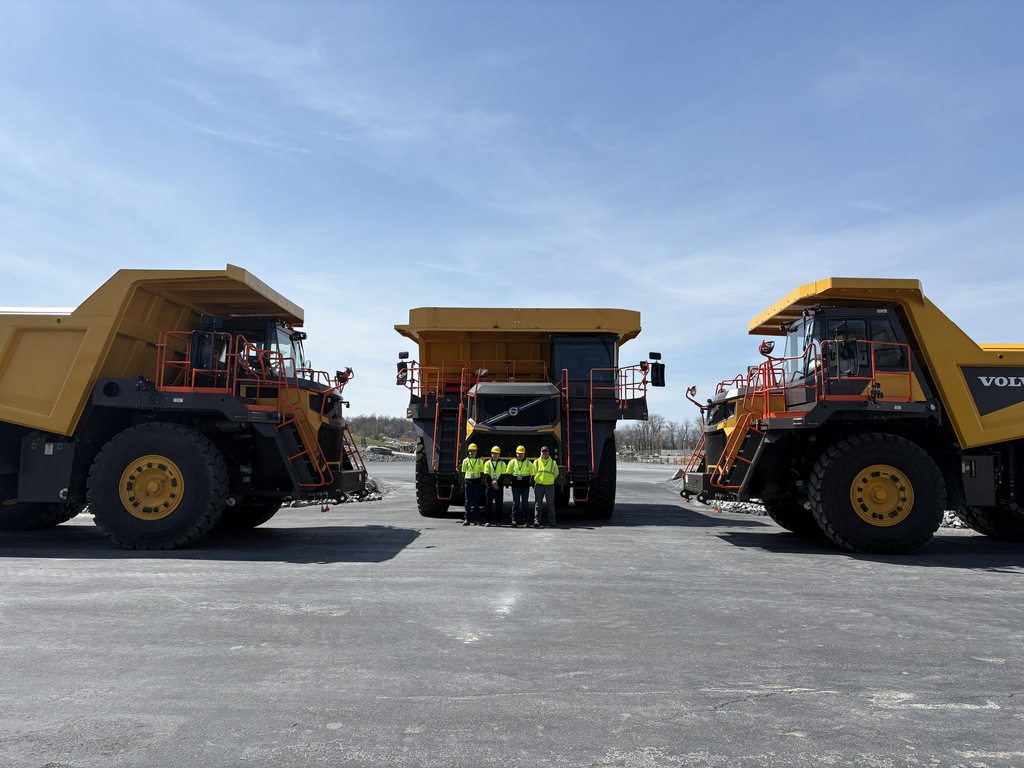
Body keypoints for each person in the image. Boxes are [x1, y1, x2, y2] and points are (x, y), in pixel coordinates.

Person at [506, 445, 534, 528]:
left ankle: (526, 521)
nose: (520, 455)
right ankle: (514, 520)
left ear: (524, 454)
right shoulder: (512, 462)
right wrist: (513, 479)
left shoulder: (529, 463)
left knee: (525, 503)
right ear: (516, 453)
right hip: (516, 486)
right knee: (516, 503)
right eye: (518, 453)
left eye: (521, 453)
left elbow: (532, 474)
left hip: (525, 486)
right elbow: (508, 473)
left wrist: (528, 481)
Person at [532, 445, 560, 528]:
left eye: (546, 451)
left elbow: (556, 473)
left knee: (551, 504)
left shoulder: (553, 463)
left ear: (548, 452)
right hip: (539, 485)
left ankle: (552, 521)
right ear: (540, 452)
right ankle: (537, 521)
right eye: (543, 451)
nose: (544, 453)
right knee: (538, 504)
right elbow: (533, 473)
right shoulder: (536, 462)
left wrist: (549, 480)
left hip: (549, 486)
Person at [460, 443, 485, 526]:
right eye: (470, 451)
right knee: (468, 502)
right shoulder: (465, 461)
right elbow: (463, 472)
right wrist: (466, 480)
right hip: (468, 483)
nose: (472, 452)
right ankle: (467, 519)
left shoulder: (480, 461)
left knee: (476, 502)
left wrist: (478, 480)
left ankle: (476, 519)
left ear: (476, 451)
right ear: (468, 451)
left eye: (473, 451)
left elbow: (482, 472)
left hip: (476, 483)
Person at [483, 446, 507, 527]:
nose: (495, 455)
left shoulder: (502, 463)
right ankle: (488, 521)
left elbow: (503, 475)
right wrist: (492, 482)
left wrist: (497, 483)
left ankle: (498, 521)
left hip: (498, 486)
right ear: (491, 454)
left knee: (499, 505)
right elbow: (486, 474)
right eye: (494, 453)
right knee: (488, 504)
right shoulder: (487, 463)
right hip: (490, 486)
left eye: (497, 453)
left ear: (499, 454)